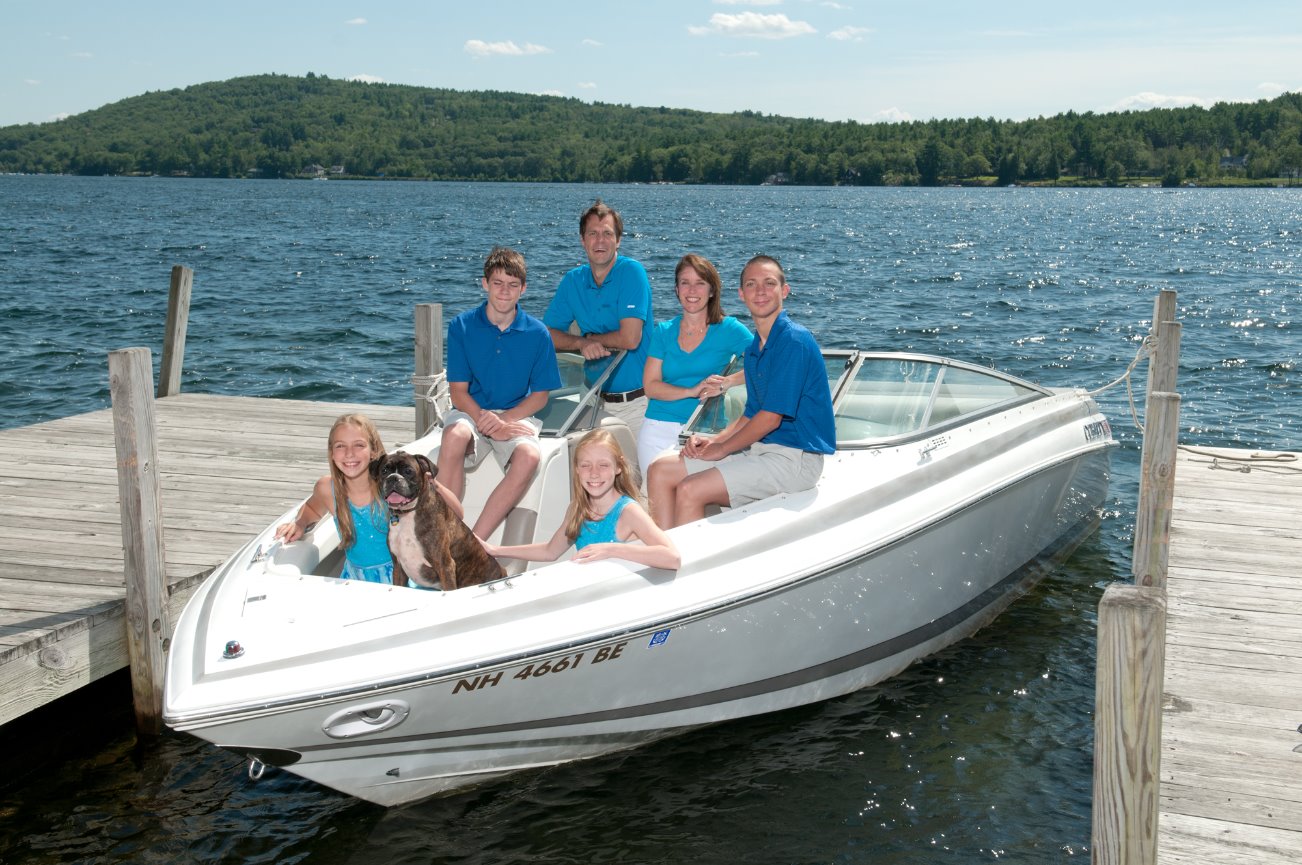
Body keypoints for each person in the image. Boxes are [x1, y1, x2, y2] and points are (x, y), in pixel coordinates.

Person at [647, 255, 836, 529]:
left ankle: (691, 569)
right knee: (660, 471)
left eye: (769, 283)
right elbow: (750, 415)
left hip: (794, 459)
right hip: (761, 450)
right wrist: (715, 443)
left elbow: (770, 418)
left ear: (784, 291)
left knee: (691, 488)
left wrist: (723, 448)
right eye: (751, 284)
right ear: (741, 294)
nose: (760, 291)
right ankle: (663, 552)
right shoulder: (756, 349)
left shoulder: (794, 341)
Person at [438, 246, 562, 539]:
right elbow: (457, 392)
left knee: (529, 456)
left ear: (524, 289)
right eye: (497, 283)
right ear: (484, 283)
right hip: (472, 411)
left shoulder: (538, 333)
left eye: (513, 285)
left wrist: (504, 421)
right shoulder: (461, 327)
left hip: (515, 413)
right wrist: (487, 422)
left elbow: (540, 396)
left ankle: (474, 542)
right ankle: (445, 532)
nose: (504, 292)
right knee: (454, 436)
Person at [483, 429, 680, 570]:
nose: (594, 473)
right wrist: (496, 550)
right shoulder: (577, 509)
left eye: (603, 465)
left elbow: (672, 557)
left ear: (618, 468)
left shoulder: (628, 512)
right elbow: (549, 552)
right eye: (586, 465)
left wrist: (611, 549)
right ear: (577, 470)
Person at [544, 199, 653, 445]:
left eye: (607, 234)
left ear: (619, 240)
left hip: (638, 404)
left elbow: (630, 337)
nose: (600, 241)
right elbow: (547, 334)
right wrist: (581, 344)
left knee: (638, 480)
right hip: (592, 399)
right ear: (583, 240)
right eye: (593, 234)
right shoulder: (573, 281)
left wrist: (591, 339)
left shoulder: (632, 273)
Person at [637, 253, 753, 475]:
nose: (692, 291)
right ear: (676, 289)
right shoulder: (663, 332)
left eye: (700, 283)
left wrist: (727, 382)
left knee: (691, 501)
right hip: (656, 430)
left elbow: (767, 364)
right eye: (685, 283)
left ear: (711, 291)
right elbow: (651, 387)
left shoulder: (729, 329)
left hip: (704, 432)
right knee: (655, 504)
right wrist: (691, 390)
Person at [272, 414, 396, 582]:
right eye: (340, 446)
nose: (349, 453)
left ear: (374, 451)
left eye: (358, 445)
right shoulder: (327, 489)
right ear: (331, 453)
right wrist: (300, 523)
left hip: (399, 576)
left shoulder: (389, 488)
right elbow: (312, 509)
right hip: (354, 579)